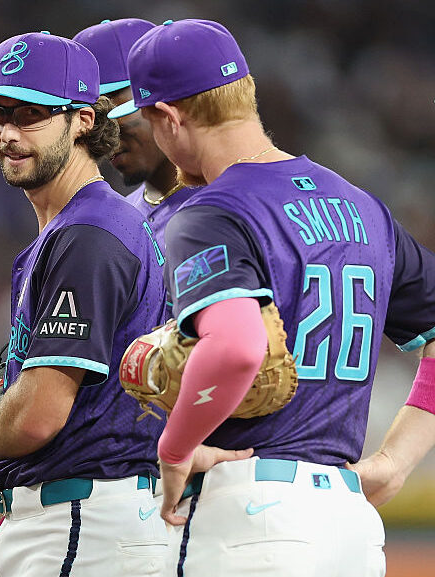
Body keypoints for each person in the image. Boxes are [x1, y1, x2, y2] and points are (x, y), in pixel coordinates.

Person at [110, 18, 435, 576]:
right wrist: (394, 461)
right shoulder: (363, 207)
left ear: (168, 117)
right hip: (348, 522)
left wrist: (175, 445)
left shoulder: (208, 213)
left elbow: (237, 349)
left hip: (252, 515)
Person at [0, 32, 169, 577]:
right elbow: (21, 443)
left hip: (87, 522)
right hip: (77, 517)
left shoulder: (90, 234)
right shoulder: (74, 231)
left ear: (82, 119)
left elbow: (33, 422)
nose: (7, 132)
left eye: (30, 113)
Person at [73, 18, 197, 249]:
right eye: (90, 117)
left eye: (112, 109)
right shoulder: (117, 223)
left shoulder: (229, 198)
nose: (105, 137)